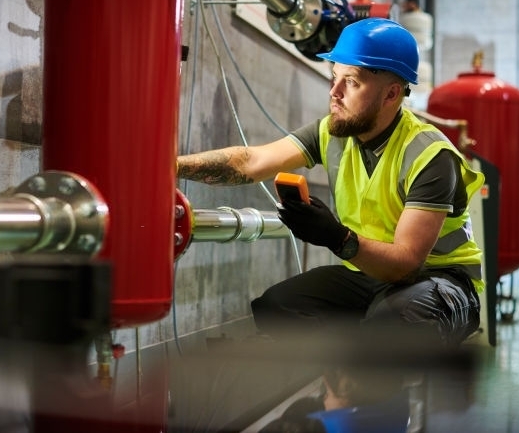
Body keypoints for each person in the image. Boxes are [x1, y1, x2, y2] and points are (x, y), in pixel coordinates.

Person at [176, 18, 485, 347]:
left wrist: (337, 237)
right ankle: (344, 379)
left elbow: (406, 266)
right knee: (278, 308)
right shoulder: (334, 132)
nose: (334, 93)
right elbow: (252, 162)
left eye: (350, 82)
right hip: (373, 275)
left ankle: (379, 387)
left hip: (442, 282)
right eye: (334, 77)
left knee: (395, 321)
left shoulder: (429, 155)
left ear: (391, 94)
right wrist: (172, 166)